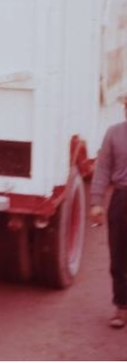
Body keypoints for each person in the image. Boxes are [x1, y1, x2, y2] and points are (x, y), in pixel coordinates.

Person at [90, 98, 127, 329]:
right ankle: (121, 307)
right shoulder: (114, 134)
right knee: (119, 257)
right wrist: (96, 202)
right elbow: (102, 168)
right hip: (122, 200)